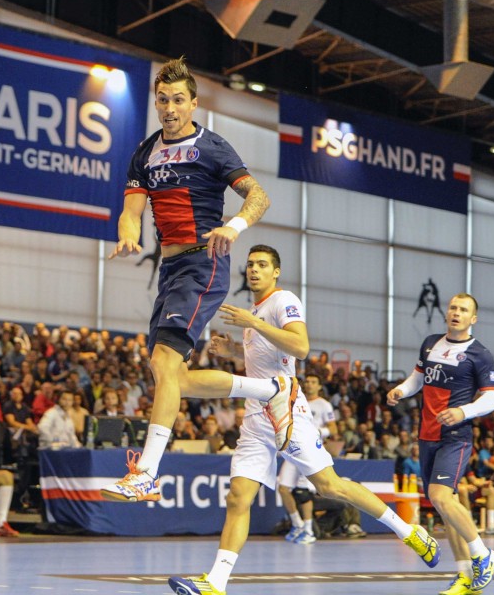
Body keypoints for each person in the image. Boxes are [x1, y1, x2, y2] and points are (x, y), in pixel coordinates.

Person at [169, 246, 441, 595]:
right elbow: (267, 356)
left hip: (287, 408)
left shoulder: (283, 301)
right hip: (256, 416)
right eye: (250, 264)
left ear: (276, 272)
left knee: (331, 486)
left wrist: (253, 323)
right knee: (238, 497)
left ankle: (409, 532)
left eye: (262, 265)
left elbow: (300, 347)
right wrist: (235, 351)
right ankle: (215, 583)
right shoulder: (255, 310)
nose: (254, 270)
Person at [102, 59, 303, 504]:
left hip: (204, 263)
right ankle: (271, 389)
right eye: (162, 100)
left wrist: (234, 227)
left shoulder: (212, 147)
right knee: (169, 374)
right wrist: (127, 236)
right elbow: (132, 210)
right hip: (170, 270)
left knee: (165, 360)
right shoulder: (144, 152)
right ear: (155, 103)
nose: (170, 108)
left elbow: (258, 195)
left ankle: (147, 473)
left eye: (178, 100)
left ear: (193, 103)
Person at [387, 293, 494, 595]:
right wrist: (400, 390)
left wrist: (463, 411)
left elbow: (492, 398)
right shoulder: (431, 343)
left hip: (456, 437)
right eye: (453, 307)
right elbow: (417, 378)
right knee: (443, 505)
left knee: (440, 496)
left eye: (463, 310)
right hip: (427, 436)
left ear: (473, 319)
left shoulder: (480, 354)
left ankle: (483, 555)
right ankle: (465, 575)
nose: (456, 313)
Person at [280, 373, 338, 544]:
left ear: (319, 386)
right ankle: (297, 524)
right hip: (292, 448)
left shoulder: (324, 405)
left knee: (302, 492)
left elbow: (333, 430)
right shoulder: (297, 399)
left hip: (311, 450)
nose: (310, 384)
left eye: (314, 382)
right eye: (308, 382)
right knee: (283, 488)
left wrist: (319, 432)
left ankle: (308, 530)